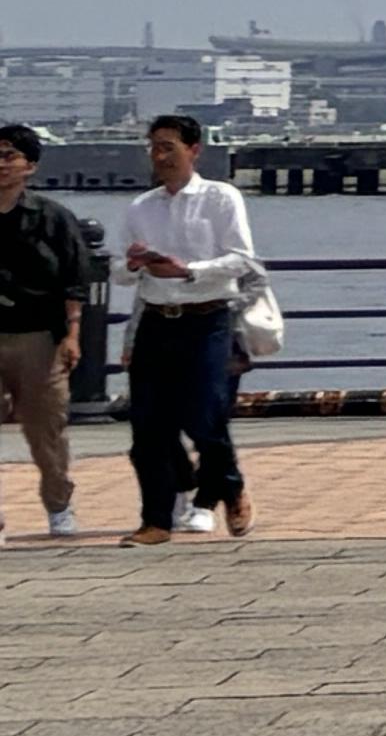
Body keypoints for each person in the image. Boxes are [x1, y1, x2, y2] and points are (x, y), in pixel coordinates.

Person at [112, 113, 255, 542]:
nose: (160, 157)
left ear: (194, 150)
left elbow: (241, 259)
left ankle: (230, 485)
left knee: (204, 415)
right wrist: (134, 264)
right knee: (147, 425)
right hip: (157, 320)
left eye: (168, 147)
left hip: (207, 319)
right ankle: (156, 520)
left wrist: (189, 270)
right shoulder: (141, 207)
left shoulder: (220, 198)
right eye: (154, 148)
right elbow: (117, 270)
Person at [0, 128, 92, 538]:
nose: (1, 164)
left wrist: (72, 334)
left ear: (30, 166)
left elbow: (74, 279)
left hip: (38, 335)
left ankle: (58, 504)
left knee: (45, 430)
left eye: (9, 156)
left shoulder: (52, 217)